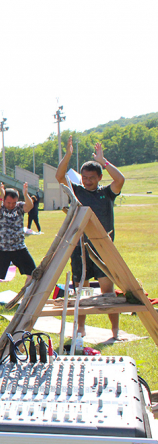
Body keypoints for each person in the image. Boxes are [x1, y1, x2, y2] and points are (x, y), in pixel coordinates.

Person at [56, 137, 125, 339]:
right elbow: (59, 176)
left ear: (100, 177)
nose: (87, 180)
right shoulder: (76, 191)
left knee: (108, 291)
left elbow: (120, 180)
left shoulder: (107, 193)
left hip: (104, 249)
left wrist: (104, 162)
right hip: (80, 248)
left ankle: (115, 332)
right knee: (82, 292)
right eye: (84, 177)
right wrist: (68, 155)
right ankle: (81, 330)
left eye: (92, 177)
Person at [0, 182, 36, 304]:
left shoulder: (19, 207)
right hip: (1, 248)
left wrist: (26, 194)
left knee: (33, 273)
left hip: (19, 247)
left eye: (13, 202)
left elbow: (29, 206)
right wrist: (0, 197)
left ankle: (25, 298)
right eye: (8, 202)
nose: (11, 205)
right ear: (4, 200)